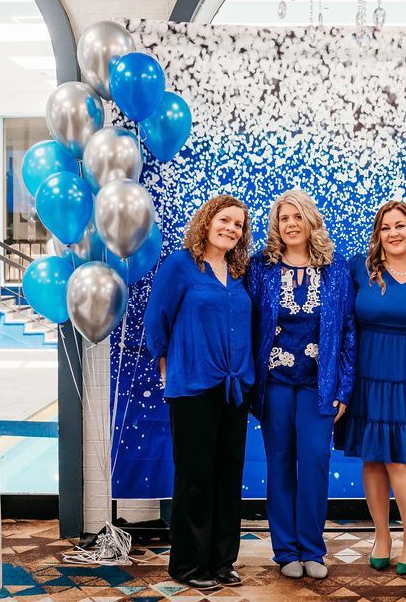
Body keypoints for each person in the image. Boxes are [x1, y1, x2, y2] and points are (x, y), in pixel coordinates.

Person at [143, 195, 254, 591]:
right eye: (225, 220)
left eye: (238, 224)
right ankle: (189, 565)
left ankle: (222, 560)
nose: (231, 228)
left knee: (227, 475)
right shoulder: (180, 265)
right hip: (192, 387)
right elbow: (156, 317)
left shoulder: (239, 271)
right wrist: (164, 365)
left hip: (234, 387)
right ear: (207, 222)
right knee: (195, 477)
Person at [246, 189, 356, 580]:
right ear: (276, 226)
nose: (290, 224)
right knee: (279, 464)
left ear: (311, 221)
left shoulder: (336, 269)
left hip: (318, 384)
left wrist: (343, 388)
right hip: (274, 383)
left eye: (297, 217)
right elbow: (249, 324)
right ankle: (285, 551)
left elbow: (347, 331)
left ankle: (312, 548)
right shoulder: (260, 267)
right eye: (282, 218)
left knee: (314, 461)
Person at [338, 201, 406, 574]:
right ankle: (381, 535)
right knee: (372, 458)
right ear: (377, 234)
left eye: (400, 226)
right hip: (368, 375)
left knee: (400, 460)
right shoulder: (359, 269)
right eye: (385, 228)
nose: (393, 233)